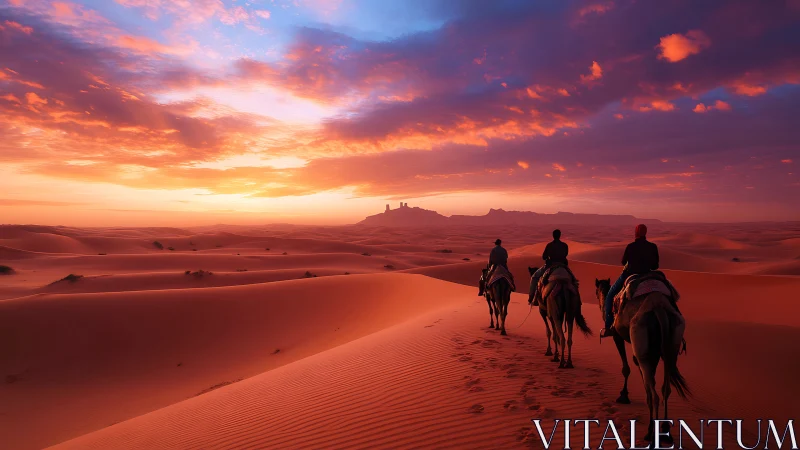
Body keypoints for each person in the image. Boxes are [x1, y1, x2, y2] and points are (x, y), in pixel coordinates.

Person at [600, 224, 659, 338]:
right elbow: (655, 266)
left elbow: (623, 262)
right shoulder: (653, 247)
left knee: (610, 295)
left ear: (636, 233)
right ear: (645, 233)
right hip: (648, 275)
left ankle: (608, 327)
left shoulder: (631, 246)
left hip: (630, 275)